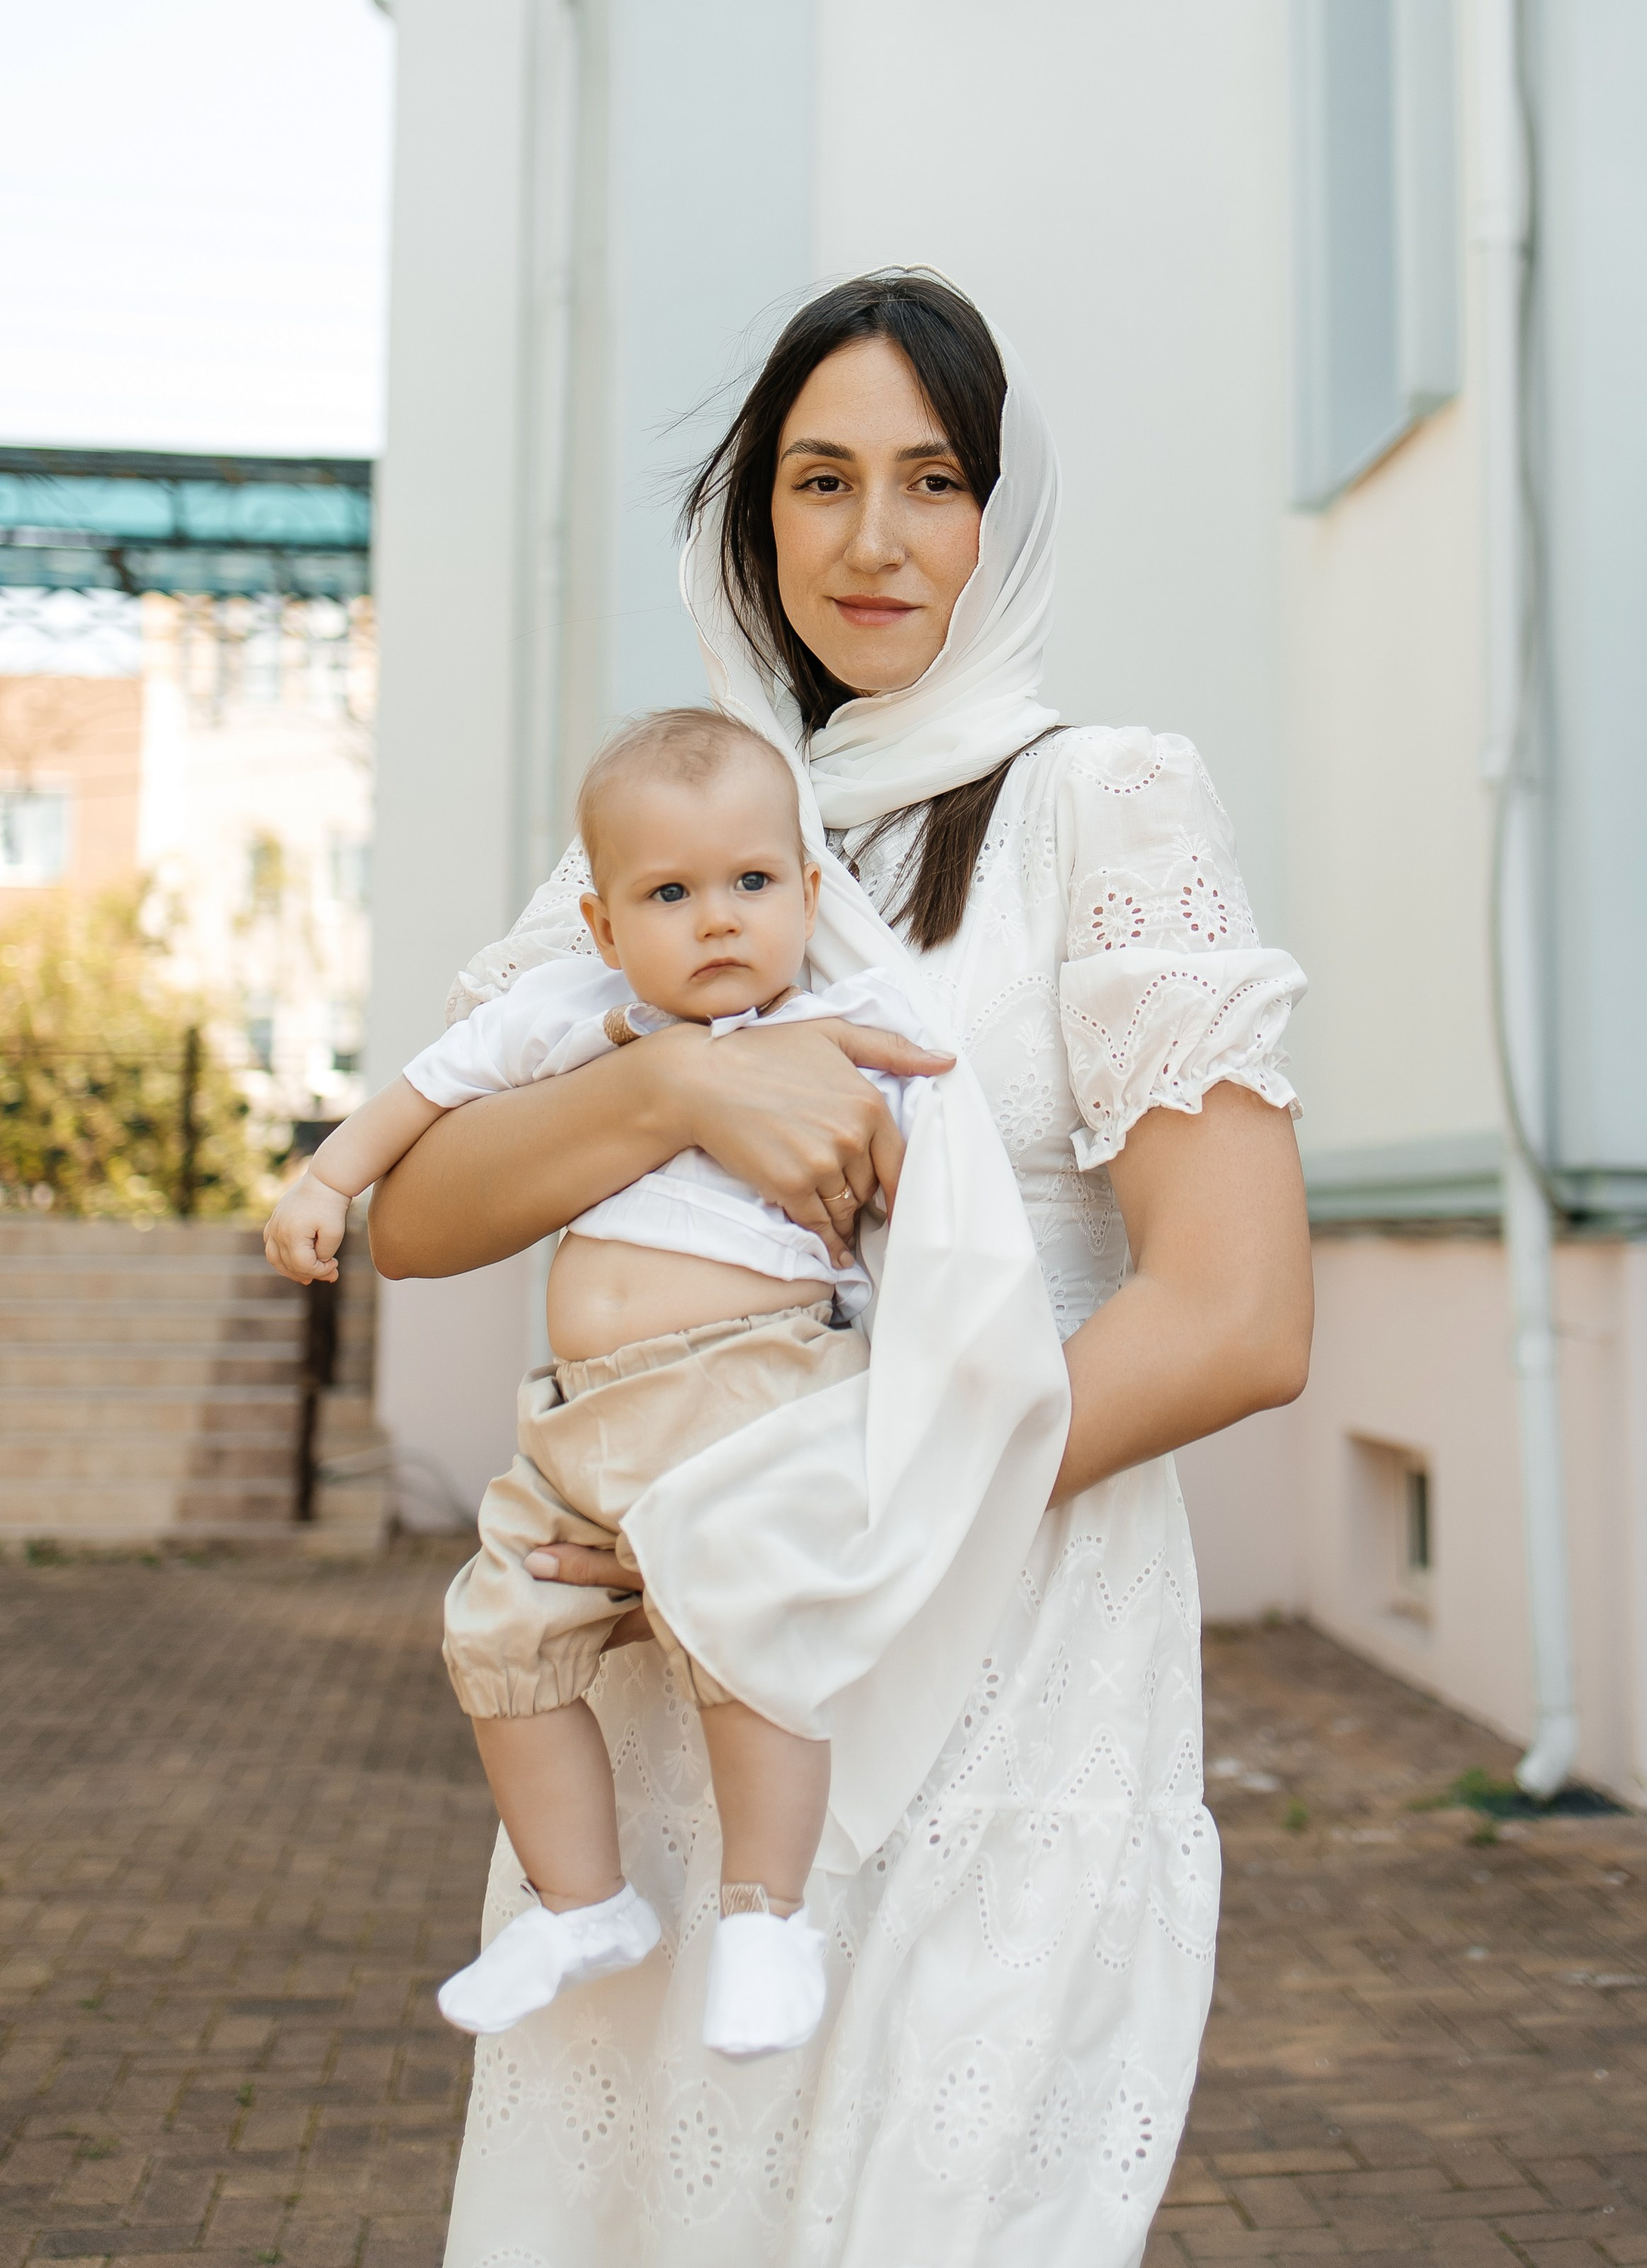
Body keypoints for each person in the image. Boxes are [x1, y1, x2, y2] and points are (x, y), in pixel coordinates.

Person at [373, 273, 1314, 2267]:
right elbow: (426, 1212)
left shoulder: (1100, 799)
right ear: (752, 516)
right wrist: (681, 1099)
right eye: (820, 480)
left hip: (997, 1644)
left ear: (1006, 516)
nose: (874, 541)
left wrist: (832, 1501)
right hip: (686, 1682)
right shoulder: (684, 822)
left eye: (933, 480)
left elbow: (1237, 1313)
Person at [265, 704, 971, 2058]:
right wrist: (326, 1179)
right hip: (582, 1423)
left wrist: (895, 1405)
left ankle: (768, 1917)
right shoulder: (581, 1020)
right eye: (670, 893)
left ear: (811, 896)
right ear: (604, 927)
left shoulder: (849, 1027)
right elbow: (425, 1089)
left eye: (753, 884)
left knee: (740, 1646)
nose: (717, 920)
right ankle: (577, 1902)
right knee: (496, 1634)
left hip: (753, 1392)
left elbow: (934, 1210)